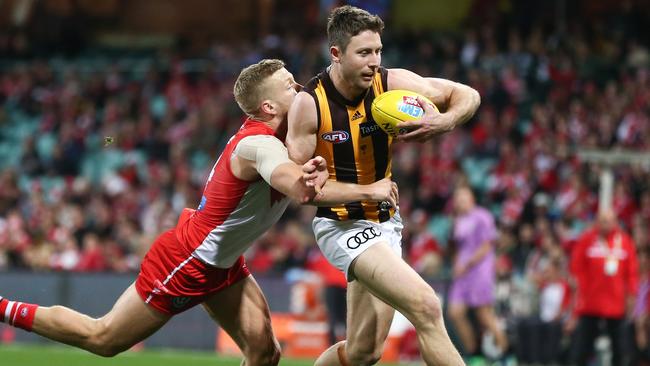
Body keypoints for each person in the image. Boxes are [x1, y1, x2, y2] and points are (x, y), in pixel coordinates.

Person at [0, 59, 399, 365]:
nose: (301, 88)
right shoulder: (257, 144)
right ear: (267, 104)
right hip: (189, 259)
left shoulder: (291, 134)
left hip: (222, 262)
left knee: (265, 354)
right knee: (103, 339)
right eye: (290, 85)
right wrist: (365, 188)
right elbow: (295, 185)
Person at [286, 6, 480, 365]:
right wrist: (367, 190)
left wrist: (446, 121)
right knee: (425, 305)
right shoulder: (310, 104)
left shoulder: (389, 83)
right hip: (343, 225)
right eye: (363, 53)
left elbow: (467, 95)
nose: (374, 61)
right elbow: (301, 191)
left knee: (364, 352)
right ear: (336, 53)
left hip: (386, 223)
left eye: (378, 51)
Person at [567, 208, 639, 366]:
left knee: (620, 351)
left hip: (616, 306)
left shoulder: (625, 242)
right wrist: (579, 289)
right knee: (580, 351)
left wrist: (632, 295)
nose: (604, 224)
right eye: (601, 220)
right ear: (597, 222)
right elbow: (576, 267)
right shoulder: (587, 239)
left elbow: (632, 272)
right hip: (590, 304)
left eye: (608, 220)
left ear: (615, 222)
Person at [447, 186, 508, 358]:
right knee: (455, 312)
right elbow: (458, 247)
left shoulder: (483, 216)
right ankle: (473, 353)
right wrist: (456, 263)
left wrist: (466, 264)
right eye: (458, 199)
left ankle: (504, 353)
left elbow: (488, 244)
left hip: (480, 271)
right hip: (462, 274)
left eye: (464, 198)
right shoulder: (458, 219)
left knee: (484, 315)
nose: (460, 202)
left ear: (472, 199)